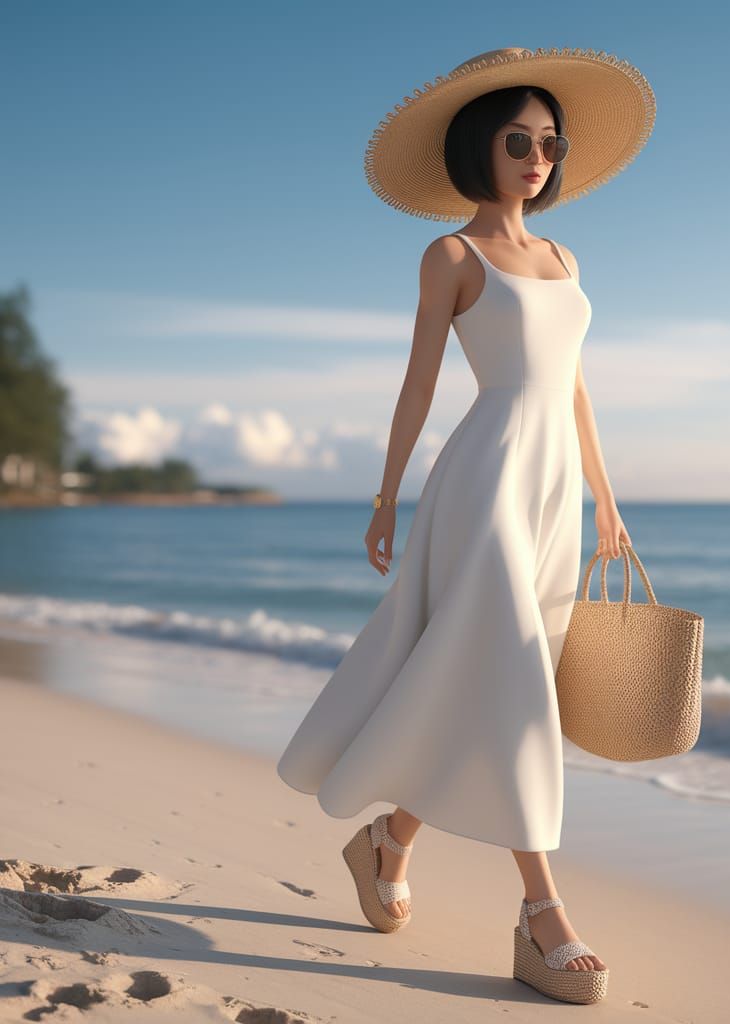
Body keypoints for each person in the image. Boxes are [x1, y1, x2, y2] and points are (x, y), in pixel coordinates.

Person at [276, 46, 655, 1005]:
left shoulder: (567, 260)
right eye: (518, 140)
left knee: (482, 683)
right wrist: (384, 492)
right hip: (483, 484)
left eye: (549, 142)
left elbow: (574, 389)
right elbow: (419, 384)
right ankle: (542, 915)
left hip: (554, 491)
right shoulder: (451, 254)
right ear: (478, 148)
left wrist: (605, 500)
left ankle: (387, 839)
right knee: (515, 684)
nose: (537, 156)